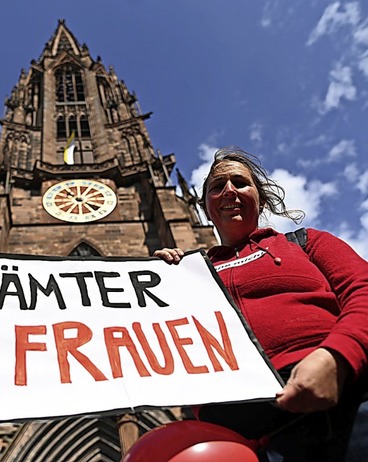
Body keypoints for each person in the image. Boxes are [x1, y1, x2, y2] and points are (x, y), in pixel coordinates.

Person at [155, 146, 368, 461]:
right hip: (244, 431)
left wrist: (336, 357)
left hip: (345, 396)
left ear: (261, 198)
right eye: (217, 187)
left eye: (240, 183)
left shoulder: (307, 242)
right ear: (203, 206)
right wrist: (152, 283)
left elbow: (362, 291)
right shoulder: (189, 271)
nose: (229, 191)